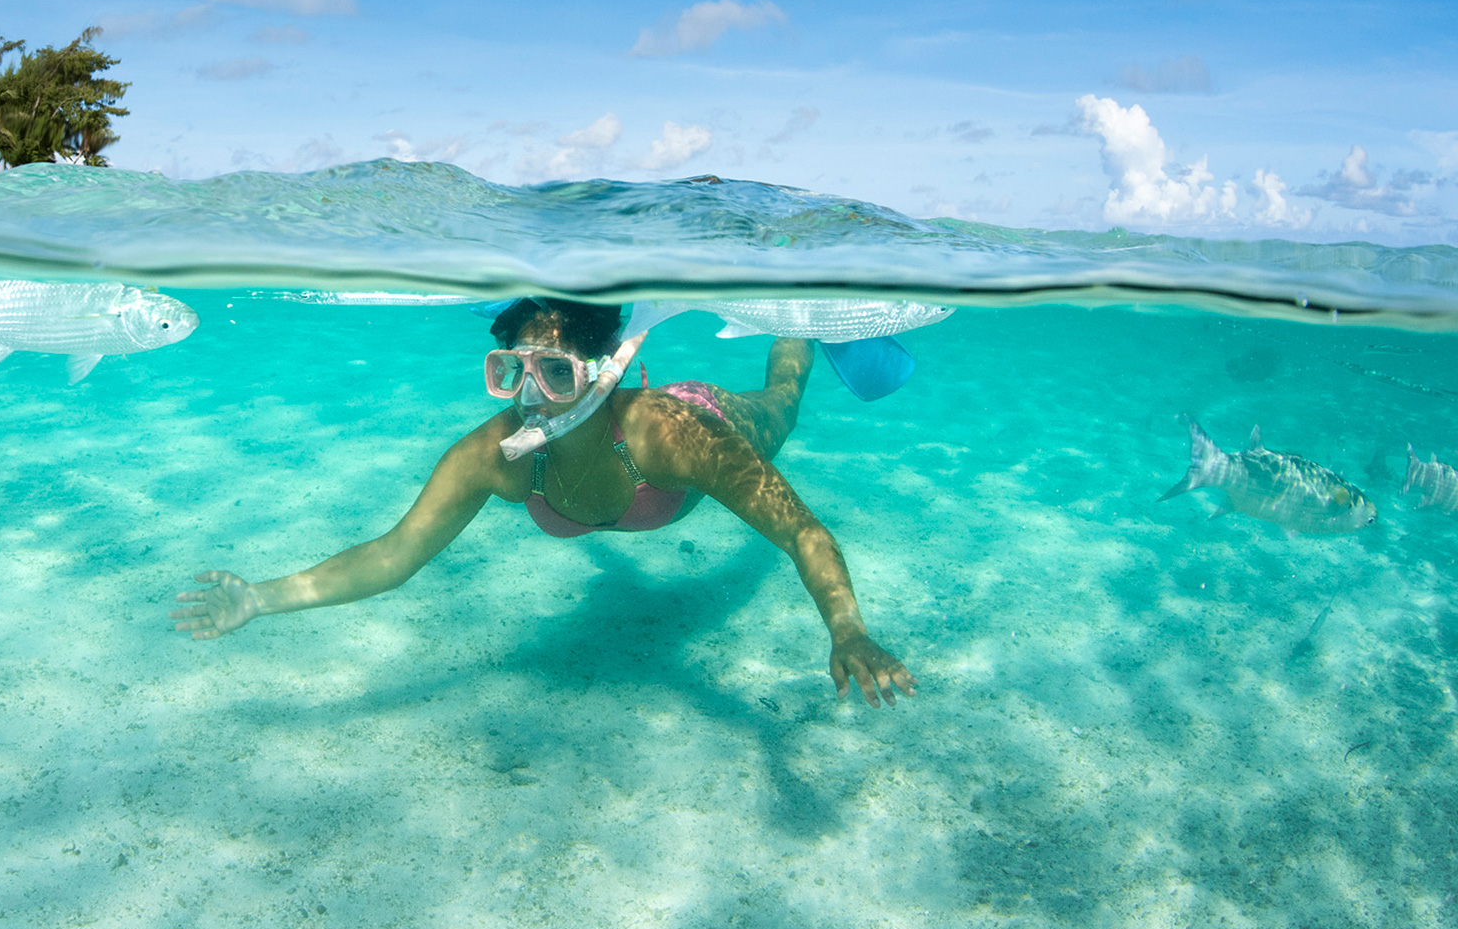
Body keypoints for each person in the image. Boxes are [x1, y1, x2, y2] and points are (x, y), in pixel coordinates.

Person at [170, 297, 918, 707]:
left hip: (706, 413)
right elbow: (392, 557)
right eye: (510, 371)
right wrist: (260, 600)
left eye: (555, 373)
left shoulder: (669, 433)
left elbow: (801, 532)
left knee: (783, 402)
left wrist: (847, 630)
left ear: (606, 373)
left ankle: (804, 322)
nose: (531, 397)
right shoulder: (494, 456)